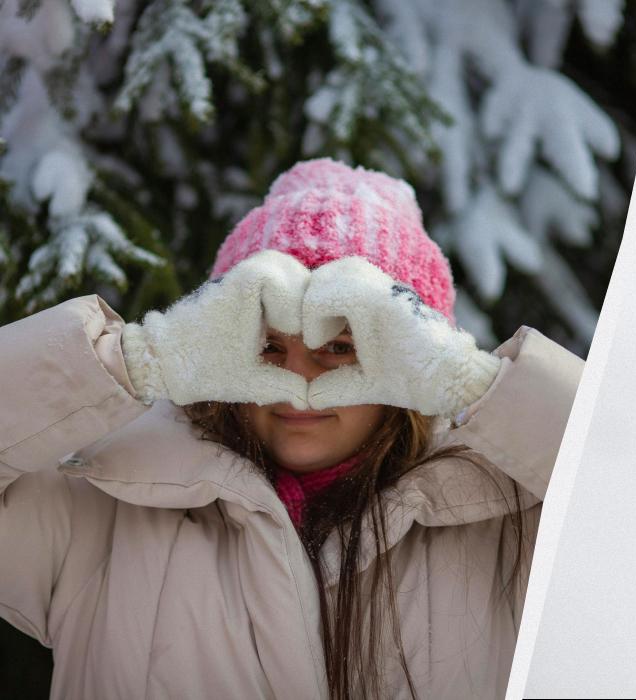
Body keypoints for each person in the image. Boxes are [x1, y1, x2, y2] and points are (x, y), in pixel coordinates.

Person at [0, 158, 583, 699]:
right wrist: (137, 357)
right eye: (268, 346)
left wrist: (472, 381)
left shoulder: (513, 518)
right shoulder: (98, 506)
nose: (299, 376)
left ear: (408, 363)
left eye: (340, 347)